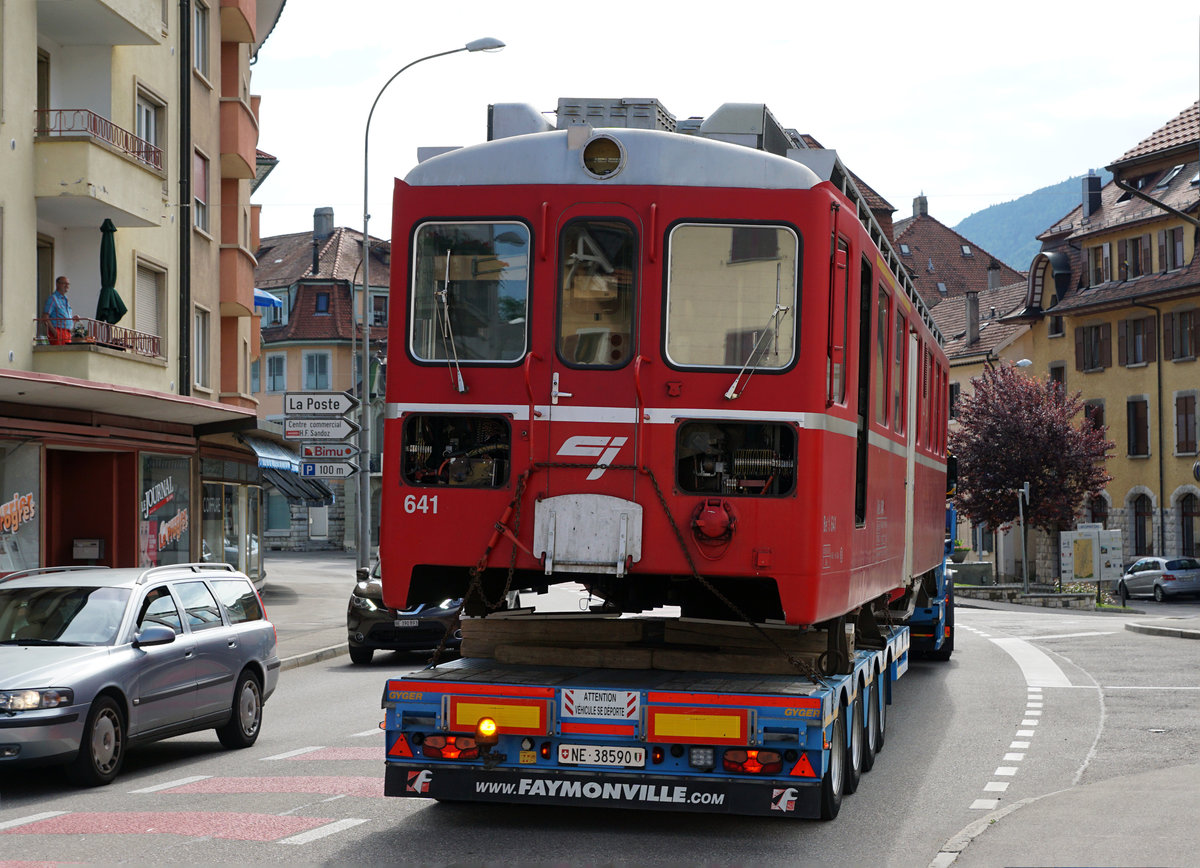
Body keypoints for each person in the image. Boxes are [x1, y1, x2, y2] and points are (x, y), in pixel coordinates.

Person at [42, 276, 77, 345]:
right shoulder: (53, 299)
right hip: (58, 331)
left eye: (68, 284)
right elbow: (45, 317)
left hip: (67, 332)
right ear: (57, 284)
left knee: (66, 354)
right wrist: (54, 332)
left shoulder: (65, 299)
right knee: (60, 354)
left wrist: (73, 320)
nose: (67, 286)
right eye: (64, 283)